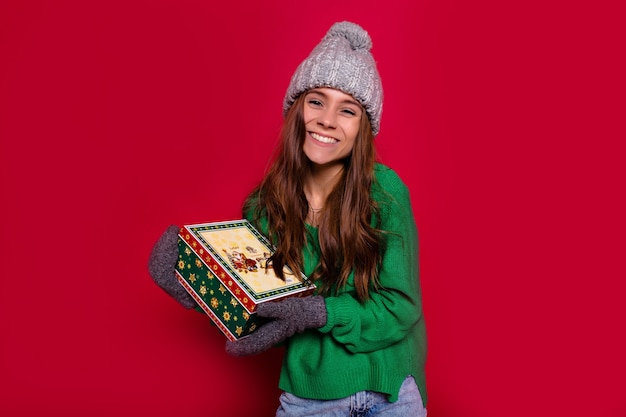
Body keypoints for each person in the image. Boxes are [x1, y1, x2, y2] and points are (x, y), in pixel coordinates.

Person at [149, 21, 427, 416]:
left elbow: (401, 307)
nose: (328, 120)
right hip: (308, 397)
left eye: (347, 109)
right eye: (316, 101)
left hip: (389, 391)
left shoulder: (385, 191)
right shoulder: (263, 207)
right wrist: (199, 290)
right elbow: (267, 317)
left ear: (363, 128)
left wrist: (320, 312)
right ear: (296, 109)